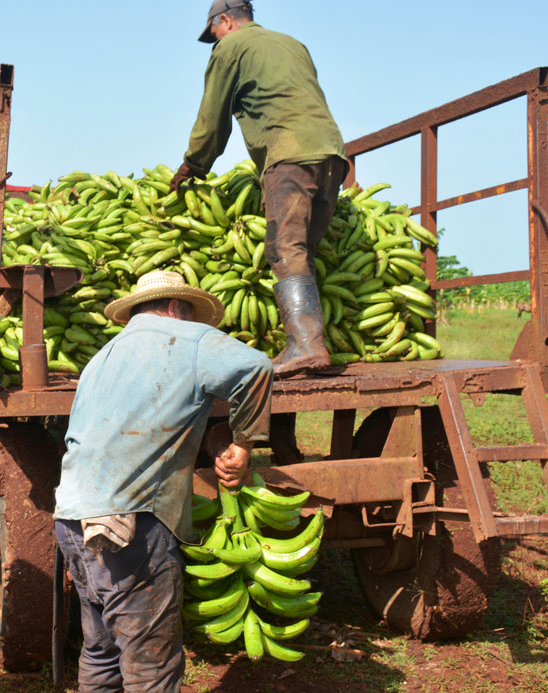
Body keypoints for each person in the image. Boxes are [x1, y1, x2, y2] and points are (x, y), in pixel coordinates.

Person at [53, 270, 273, 692]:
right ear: (176, 308)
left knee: (101, 650)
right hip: (131, 525)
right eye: (190, 315)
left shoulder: (101, 357)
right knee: (150, 665)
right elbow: (256, 367)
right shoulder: (188, 338)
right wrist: (244, 445)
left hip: (72, 520)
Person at [170, 0, 348, 378]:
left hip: (289, 153)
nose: (213, 40)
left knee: (284, 249)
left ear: (226, 21)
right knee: (302, 250)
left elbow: (213, 119)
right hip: (332, 154)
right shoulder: (292, 43)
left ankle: (305, 346)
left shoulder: (230, 48)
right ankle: (309, 342)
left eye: (213, 32)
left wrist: (193, 165)